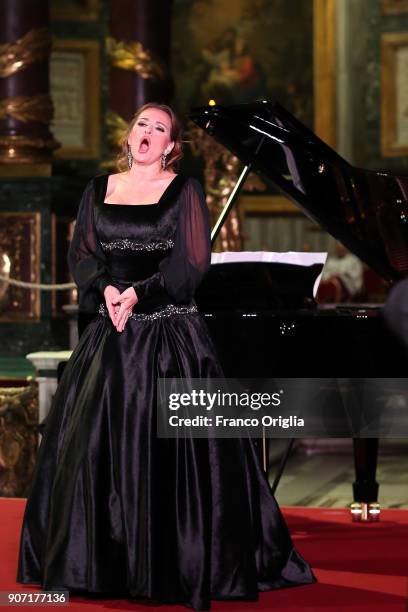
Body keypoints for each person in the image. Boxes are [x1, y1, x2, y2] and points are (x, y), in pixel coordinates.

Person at [16, 102, 317, 610]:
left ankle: (175, 563)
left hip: (169, 338)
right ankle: (98, 564)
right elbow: (83, 256)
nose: (148, 133)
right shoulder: (98, 189)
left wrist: (140, 293)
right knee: (91, 449)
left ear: (172, 145)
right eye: (141, 124)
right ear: (129, 135)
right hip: (109, 340)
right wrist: (107, 288)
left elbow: (191, 263)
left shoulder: (184, 191)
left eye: (160, 128)